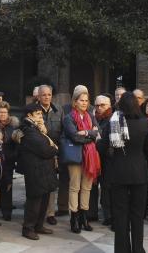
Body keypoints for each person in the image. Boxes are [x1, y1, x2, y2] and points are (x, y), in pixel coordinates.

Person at [98, 91, 148, 253]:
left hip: (119, 173)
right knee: (137, 215)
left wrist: (98, 140)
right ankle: (138, 249)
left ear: (120, 105)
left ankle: (122, 250)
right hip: (139, 174)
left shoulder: (112, 122)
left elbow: (102, 147)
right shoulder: (144, 123)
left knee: (120, 214)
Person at [16, 102, 59, 240]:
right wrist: (55, 149)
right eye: (38, 114)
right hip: (35, 170)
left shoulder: (39, 128)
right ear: (29, 115)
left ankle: (38, 225)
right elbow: (46, 150)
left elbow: (49, 142)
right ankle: (28, 228)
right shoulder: (28, 129)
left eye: (41, 114)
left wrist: (48, 140)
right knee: (34, 201)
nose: (41, 116)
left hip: (44, 169)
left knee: (44, 199)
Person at [61, 86, 101, 233]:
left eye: (86, 100)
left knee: (87, 187)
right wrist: (90, 135)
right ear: (75, 102)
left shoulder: (91, 116)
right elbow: (74, 137)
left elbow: (98, 133)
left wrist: (85, 132)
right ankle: (74, 219)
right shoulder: (68, 117)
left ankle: (84, 217)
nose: (84, 103)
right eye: (81, 100)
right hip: (75, 156)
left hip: (90, 156)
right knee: (75, 187)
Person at [38, 85, 66, 225]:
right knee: (38, 183)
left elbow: (63, 130)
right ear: (38, 96)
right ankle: (37, 212)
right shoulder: (33, 110)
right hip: (38, 153)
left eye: (49, 95)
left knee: (52, 184)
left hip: (53, 153)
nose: (47, 97)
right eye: (44, 95)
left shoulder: (58, 109)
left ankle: (50, 213)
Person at [0, 102, 19, 221]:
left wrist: (13, 156)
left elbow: (16, 145)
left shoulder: (12, 127)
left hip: (8, 161)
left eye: (5, 112)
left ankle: (6, 211)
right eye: (0, 112)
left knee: (7, 186)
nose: (2, 114)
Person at [92, 94, 114, 226]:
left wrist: (97, 136)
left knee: (107, 189)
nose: (99, 108)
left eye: (103, 105)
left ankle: (109, 216)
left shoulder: (113, 119)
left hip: (107, 159)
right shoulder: (92, 118)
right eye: (97, 105)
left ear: (109, 106)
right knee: (93, 187)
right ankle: (91, 214)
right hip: (93, 158)